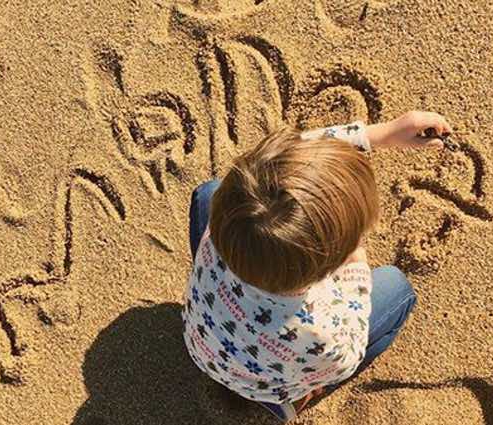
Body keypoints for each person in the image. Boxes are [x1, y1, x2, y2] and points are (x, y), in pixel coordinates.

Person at [181, 111, 452, 422]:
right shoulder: (322, 331)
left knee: (209, 191)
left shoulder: (223, 224)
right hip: (272, 383)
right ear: (329, 267)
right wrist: (356, 266)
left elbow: (287, 154)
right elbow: (349, 357)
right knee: (397, 288)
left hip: (204, 347)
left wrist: (380, 134)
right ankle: (296, 398)